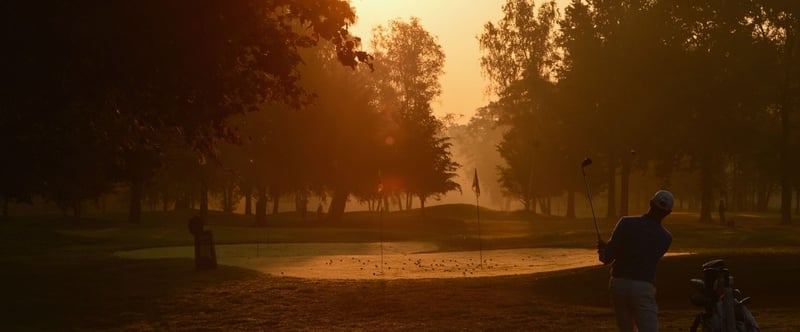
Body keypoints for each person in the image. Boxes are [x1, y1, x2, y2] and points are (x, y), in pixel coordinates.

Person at [597, 190, 674, 332]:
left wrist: (604, 249)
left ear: (651, 203)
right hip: (643, 286)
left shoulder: (626, 223)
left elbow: (606, 258)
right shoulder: (666, 238)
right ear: (668, 212)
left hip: (619, 284)